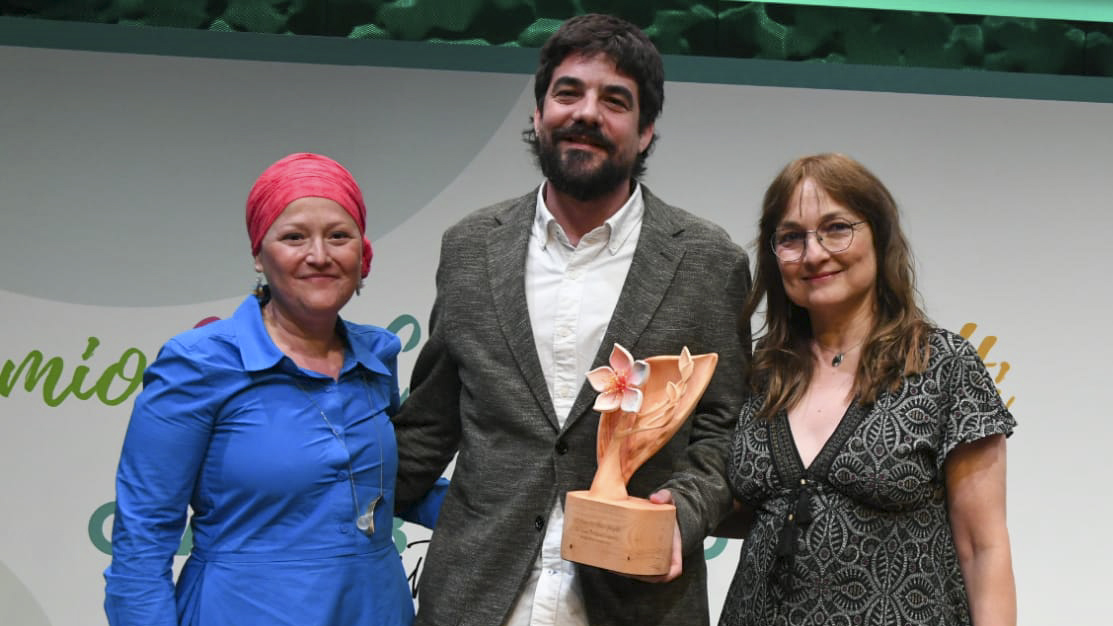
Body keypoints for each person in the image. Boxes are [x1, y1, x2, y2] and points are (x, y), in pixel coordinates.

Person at [392, 13, 751, 626]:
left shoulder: (707, 261)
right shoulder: (470, 248)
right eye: (568, 92)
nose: (586, 113)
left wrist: (682, 513)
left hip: (637, 600)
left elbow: (724, 428)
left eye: (615, 100)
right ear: (538, 114)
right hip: (476, 602)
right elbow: (430, 423)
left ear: (646, 131)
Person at [103, 152, 446, 626]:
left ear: (361, 253)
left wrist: (527, 512)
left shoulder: (376, 356)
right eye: (294, 237)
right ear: (259, 255)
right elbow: (141, 545)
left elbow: (390, 486)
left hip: (376, 610)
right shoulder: (197, 364)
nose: (319, 255)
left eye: (339, 236)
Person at [719, 153, 1016, 625]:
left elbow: (984, 549)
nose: (814, 253)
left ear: (879, 235)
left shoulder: (942, 365)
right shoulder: (762, 374)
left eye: (836, 228)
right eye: (791, 237)